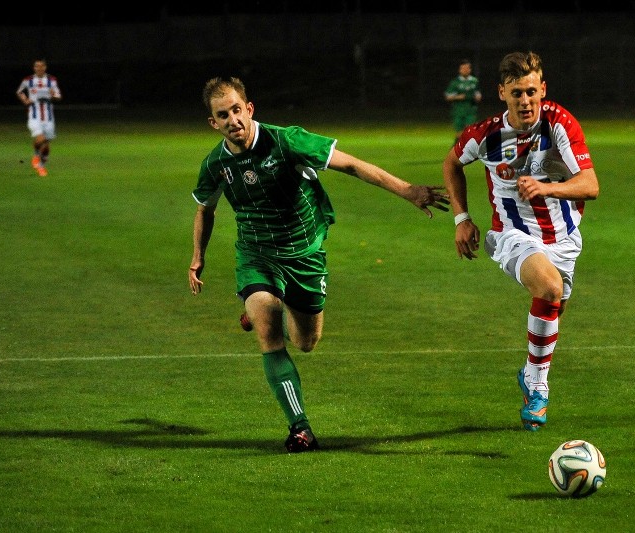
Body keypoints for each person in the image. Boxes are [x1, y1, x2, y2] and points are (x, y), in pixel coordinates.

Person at [188, 76, 449, 453]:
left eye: (236, 110)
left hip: (303, 253)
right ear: (214, 123)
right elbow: (204, 208)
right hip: (256, 254)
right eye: (222, 115)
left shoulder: (287, 140)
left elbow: (353, 165)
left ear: (249, 109)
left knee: (305, 342)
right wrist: (198, 257)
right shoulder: (215, 164)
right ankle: (300, 428)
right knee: (268, 330)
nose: (233, 120)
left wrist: (407, 190)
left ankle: (263, 306)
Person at [442, 51, 600, 432]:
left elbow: (591, 186)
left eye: (532, 91)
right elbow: (452, 163)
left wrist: (546, 187)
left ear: (542, 89)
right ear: (502, 94)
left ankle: (530, 375)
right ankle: (539, 385)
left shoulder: (560, 122)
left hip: (564, 238)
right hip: (512, 234)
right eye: (517, 93)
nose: (526, 101)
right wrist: (462, 218)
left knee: (552, 307)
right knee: (549, 287)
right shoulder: (485, 135)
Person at [16, 59, 62, 177]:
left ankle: (42, 166)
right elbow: (20, 91)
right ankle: (36, 156)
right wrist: (25, 100)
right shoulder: (28, 80)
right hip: (34, 113)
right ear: (34, 68)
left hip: (48, 115)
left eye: (41, 66)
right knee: (40, 139)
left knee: (46, 144)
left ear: (45, 67)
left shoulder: (52, 80)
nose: (39, 68)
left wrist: (54, 96)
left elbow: (58, 96)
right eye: (37, 66)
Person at [444, 58, 482, 144]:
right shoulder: (455, 82)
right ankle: (456, 148)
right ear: (460, 70)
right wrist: (458, 97)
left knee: (470, 131)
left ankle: (463, 150)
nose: (466, 70)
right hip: (458, 111)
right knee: (459, 133)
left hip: (471, 110)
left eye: (467, 68)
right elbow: (447, 96)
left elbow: (478, 93)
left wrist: (478, 97)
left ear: (470, 69)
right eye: (463, 68)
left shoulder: (474, 81)